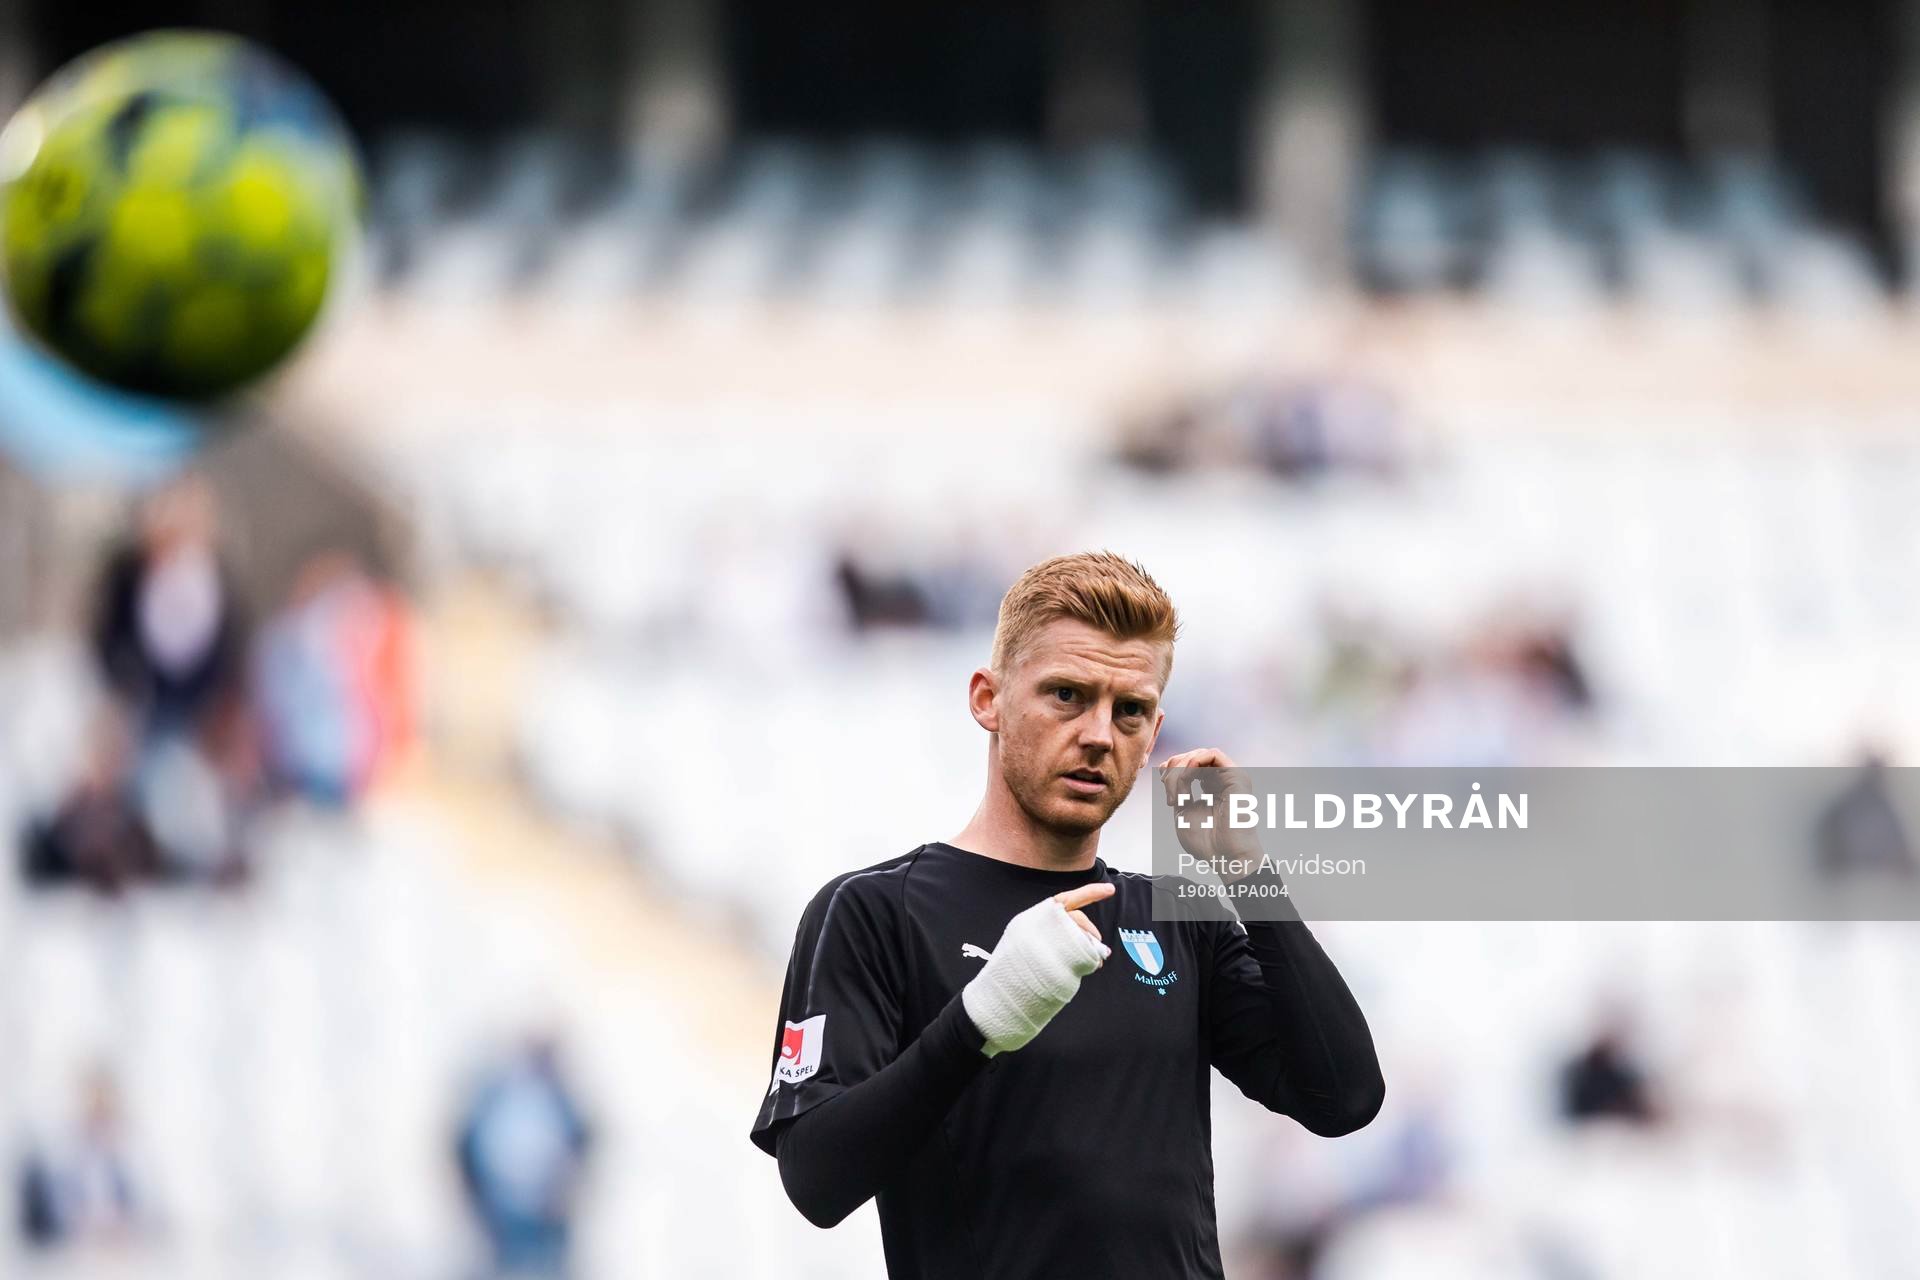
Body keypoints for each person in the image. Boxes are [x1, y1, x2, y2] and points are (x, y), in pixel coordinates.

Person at [750, 552, 1384, 1279]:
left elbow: (1344, 1097)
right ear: (988, 698)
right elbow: (817, 1180)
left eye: (1130, 711)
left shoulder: (1176, 918)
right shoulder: (873, 912)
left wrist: (1248, 873)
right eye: (1066, 695)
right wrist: (978, 1021)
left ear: (1155, 734)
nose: (1098, 734)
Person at [455, 1034, 594, 1279]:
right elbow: (464, 1149)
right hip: (501, 1224)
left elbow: (583, 1146)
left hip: (546, 1227)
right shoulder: (495, 1096)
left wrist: (565, 1189)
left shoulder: (562, 1102)